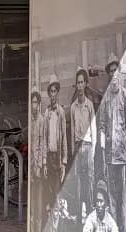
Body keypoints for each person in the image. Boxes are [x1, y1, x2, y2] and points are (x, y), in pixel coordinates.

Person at [98, 57, 126, 232]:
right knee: (111, 197)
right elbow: (102, 127)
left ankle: (124, 228)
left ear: (119, 72)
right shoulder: (105, 99)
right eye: (111, 71)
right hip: (110, 157)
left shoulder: (125, 96)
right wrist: (104, 153)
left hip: (122, 155)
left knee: (123, 195)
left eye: (116, 70)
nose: (113, 74)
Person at [70, 68, 97, 220]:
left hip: (88, 146)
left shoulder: (90, 105)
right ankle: (80, 214)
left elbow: (94, 130)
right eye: (78, 83)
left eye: (82, 82)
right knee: (79, 180)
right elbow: (72, 131)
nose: (79, 86)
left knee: (89, 179)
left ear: (85, 84)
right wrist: (73, 152)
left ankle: (91, 211)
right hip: (78, 146)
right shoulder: (73, 107)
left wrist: (93, 150)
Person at [44, 74, 68, 215]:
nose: (53, 94)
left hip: (58, 157)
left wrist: (64, 161)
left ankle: (58, 215)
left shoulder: (61, 112)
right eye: (51, 91)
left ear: (58, 93)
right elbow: (44, 137)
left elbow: (64, 137)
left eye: (55, 91)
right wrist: (44, 161)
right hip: (49, 156)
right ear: (49, 94)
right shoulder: (47, 113)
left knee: (57, 186)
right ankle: (50, 215)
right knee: (49, 186)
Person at [29, 87, 46, 232]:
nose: (34, 105)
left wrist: (40, 165)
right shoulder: (29, 121)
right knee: (31, 199)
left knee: (39, 198)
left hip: (38, 165)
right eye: (32, 102)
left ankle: (39, 227)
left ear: (39, 104)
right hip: (29, 164)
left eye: (36, 102)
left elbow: (42, 143)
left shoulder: (41, 120)